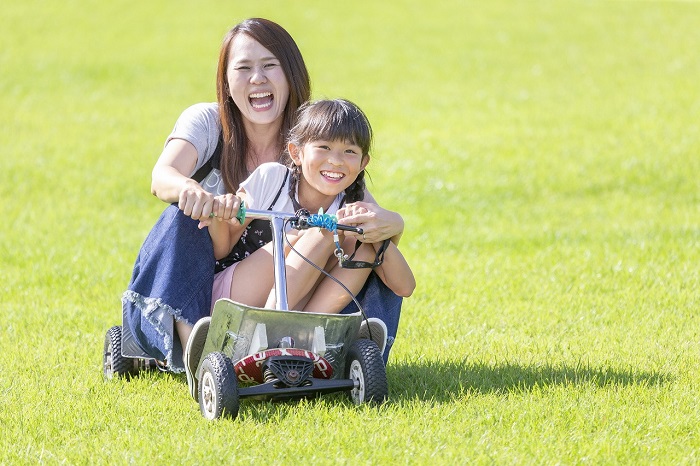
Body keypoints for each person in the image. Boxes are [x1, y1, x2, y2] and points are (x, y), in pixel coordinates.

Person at [122, 19, 406, 374]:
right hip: (214, 276)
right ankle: (194, 339)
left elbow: (366, 216)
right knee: (181, 215)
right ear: (225, 82)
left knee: (364, 242)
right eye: (243, 68)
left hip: (296, 284)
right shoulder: (209, 121)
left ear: (291, 75)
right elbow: (162, 176)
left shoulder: (315, 136)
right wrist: (193, 192)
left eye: (270, 65)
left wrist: (395, 222)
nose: (257, 78)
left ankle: (348, 344)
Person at [202, 99, 415, 315]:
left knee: (361, 245)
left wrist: (376, 234)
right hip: (231, 299)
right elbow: (221, 249)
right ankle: (267, 324)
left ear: (362, 163)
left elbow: (405, 287)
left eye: (349, 151)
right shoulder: (272, 178)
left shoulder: (353, 202)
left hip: (298, 306)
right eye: (324, 147)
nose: (336, 161)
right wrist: (219, 217)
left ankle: (307, 331)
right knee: (320, 232)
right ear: (296, 153)